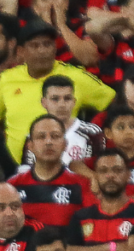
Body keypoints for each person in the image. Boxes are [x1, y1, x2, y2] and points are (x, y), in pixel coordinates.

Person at [0, 20, 115, 174]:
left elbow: (114, 102)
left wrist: (96, 125)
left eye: (47, 44)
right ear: (20, 51)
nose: (42, 51)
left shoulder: (76, 77)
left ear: (55, 48)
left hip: (67, 169)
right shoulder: (6, 79)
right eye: (35, 46)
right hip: (14, 169)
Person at [9, 116, 94, 227]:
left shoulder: (82, 185)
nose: (48, 142)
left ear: (65, 144)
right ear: (30, 145)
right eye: (41, 137)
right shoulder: (13, 186)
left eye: (55, 136)